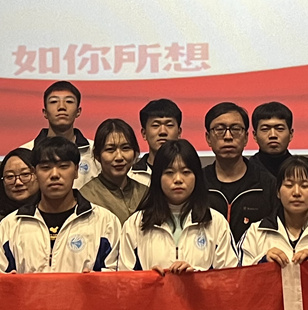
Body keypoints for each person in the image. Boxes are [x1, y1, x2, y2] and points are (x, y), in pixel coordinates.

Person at [0, 136, 122, 272]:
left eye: (63, 166)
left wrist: (95, 280)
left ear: (76, 170)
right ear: (35, 173)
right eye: (46, 167)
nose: (54, 174)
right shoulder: (10, 226)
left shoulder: (105, 222)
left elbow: (117, 276)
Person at [117, 139, 237, 271]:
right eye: (169, 172)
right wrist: (149, 279)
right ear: (158, 178)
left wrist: (196, 277)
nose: (178, 179)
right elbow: (124, 279)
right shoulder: (135, 224)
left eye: (186, 172)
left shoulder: (216, 223)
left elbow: (229, 278)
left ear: (197, 176)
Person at [203, 102, 277, 242]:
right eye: (219, 129)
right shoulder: (198, 183)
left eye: (236, 129)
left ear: (246, 137)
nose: (228, 136)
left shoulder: (267, 184)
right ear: (208, 138)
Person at [21, 81, 99, 188]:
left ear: (78, 111)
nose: (61, 107)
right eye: (53, 101)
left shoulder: (95, 152)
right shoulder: (26, 152)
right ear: (45, 112)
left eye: (69, 101)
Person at [80, 120, 150, 222]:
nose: (119, 157)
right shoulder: (87, 196)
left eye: (125, 148)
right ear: (97, 155)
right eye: (110, 149)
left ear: (135, 153)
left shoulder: (145, 193)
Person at [134, 99, 184, 180]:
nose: (162, 132)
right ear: (144, 133)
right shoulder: (131, 177)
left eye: (169, 125)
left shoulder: (191, 174)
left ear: (179, 132)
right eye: (155, 125)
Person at [250, 102, 296, 178]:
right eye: (265, 129)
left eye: (279, 129)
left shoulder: (303, 171)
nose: (273, 135)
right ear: (255, 135)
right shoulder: (246, 171)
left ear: (291, 134)